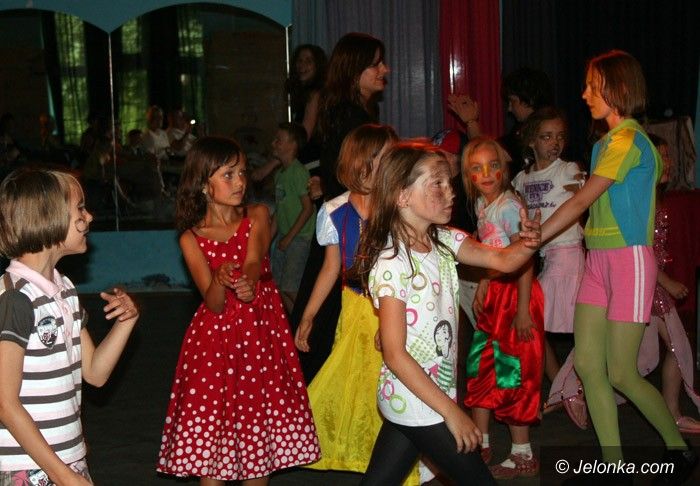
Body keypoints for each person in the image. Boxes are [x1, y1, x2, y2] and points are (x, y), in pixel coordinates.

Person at [539, 50, 697, 484]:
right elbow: (590, 207)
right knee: (590, 366)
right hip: (598, 260)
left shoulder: (630, 141)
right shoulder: (604, 144)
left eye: (593, 86)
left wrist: (533, 239)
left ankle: (680, 451)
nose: (584, 93)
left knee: (623, 371)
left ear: (618, 89)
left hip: (629, 261)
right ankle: (613, 468)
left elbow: (581, 201)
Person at [353, 141, 542, 486]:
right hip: (419, 400)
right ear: (402, 196)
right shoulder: (393, 263)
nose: (450, 192)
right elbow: (394, 354)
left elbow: (502, 260)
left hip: (420, 397)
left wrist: (528, 242)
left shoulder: (444, 240)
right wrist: (452, 412)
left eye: (448, 182)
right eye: (437, 184)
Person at [156, 136, 320, 485]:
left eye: (242, 172)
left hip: (260, 336)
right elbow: (214, 302)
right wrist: (219, 280)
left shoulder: (257, 215)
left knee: (257, 428)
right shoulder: (191, 238)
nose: (240, 182)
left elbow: (253, 261)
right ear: (203, 183)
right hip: (215, 343)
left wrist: (246, 283)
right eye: (228, 175)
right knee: (214, 431)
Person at [292, 124, 424, 483]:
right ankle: (366, 453)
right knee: (356, 381)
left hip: (397, 305)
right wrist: (308, 315)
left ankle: (410, 455)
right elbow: (331, 267)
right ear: (359, 163)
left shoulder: (401, 205)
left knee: (397, 381)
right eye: (383, 157)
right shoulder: (334, 211)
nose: (391, 164)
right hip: (355, 308)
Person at [0, 168, 140, 485]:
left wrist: (126, 322)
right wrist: (62, 475)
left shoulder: (65, 290)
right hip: (26, 468)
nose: (89, 217)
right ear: (46, 217)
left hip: (66, 460)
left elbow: (95, 373)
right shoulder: (15, 298)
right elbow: (5, 403)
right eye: (80, 208)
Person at [290, 32, 389, 382]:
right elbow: (350, 173)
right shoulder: (351, 116)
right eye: (376, 64)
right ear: (354, 70)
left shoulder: (352, 110)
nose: (384, 70)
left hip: (344, 218)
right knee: (330, 318)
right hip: (350, 226)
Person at [461, 137, 544, 479]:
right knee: (481, 365)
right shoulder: (482, 204)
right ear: (467, 175)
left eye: (493, 166)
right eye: (477, 168)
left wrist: (523, 309)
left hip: (516, 296)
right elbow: (492, 253)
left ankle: (523, 453)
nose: (486, 174)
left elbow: (524, 259)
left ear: (504, 169)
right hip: (495, 294)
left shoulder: (509, 206)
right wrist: (484, 281)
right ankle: (479, 443)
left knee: (512, 371)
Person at [511, 108, 585, 395]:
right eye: (546, 137)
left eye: (560, 137)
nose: (555, 143)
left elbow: (583, 201)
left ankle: (569, 387)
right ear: (531, 141)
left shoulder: (568, 170)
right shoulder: (521, 179)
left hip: (568, 257)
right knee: (531, 324)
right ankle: (562, 387)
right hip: (545, 259)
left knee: (543, 322)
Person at [448, 67, 553, 175]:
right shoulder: (521, 128)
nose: (510, 108)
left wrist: (471, 121)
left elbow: (493, 155)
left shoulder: (540, 129)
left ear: (529, 100)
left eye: (513, 101)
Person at [269, 122, 315, 313]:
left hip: (299, 238)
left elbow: (308, 208)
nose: (274, 143)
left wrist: (289, 237)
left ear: (293, 145)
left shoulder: (298, 172)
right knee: (279, 285)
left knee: (290, 286)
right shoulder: (280, 175)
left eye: (279, 140)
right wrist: (267, 240)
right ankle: (295, 323)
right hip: (285, 237)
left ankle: (308, 320)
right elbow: (279, 212)